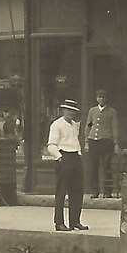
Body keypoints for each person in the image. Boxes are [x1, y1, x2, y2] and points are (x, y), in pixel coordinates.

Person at [47, 99, 88, 231]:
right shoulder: (56, 125)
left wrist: (79, 154)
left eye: (73, 111)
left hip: (75, 157)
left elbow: (75, 141)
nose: (71, 113)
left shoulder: (74, 125)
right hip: (64, 157)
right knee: (61, 192)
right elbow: (51, 145)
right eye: (68, 110)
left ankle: (75, 221)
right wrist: (59, 157)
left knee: (77, 191)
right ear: (63, 110)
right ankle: (59, 222)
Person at [84, 89, 121, 198]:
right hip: (93, 141)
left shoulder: (112, 112)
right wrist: (86, 141)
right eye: (99, 97)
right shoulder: (92, 111)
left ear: (106, 99)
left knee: (106, 166)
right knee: (94, 167)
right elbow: (88, 125)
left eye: (103, 97)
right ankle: (95, 191)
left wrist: (116, 142)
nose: (101, 99)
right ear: (96, 99)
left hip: (106, 141)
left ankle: (107, 191)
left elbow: (115, 127)